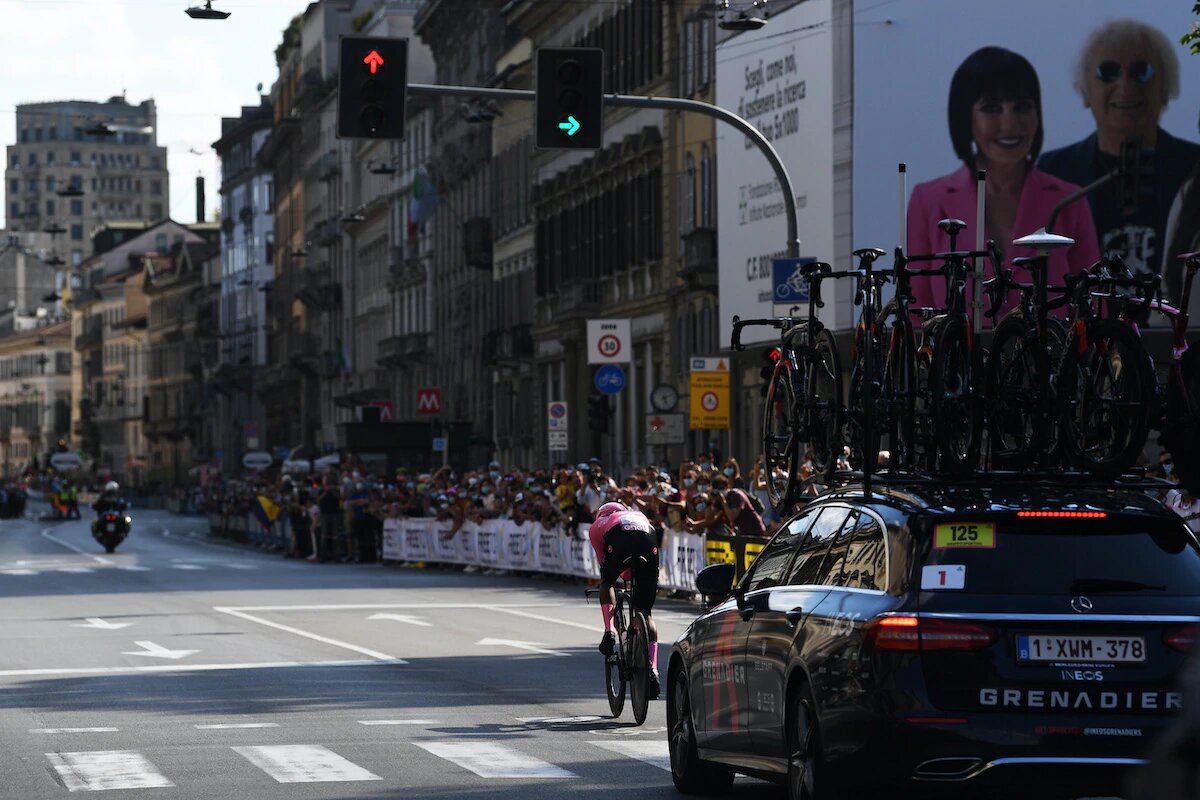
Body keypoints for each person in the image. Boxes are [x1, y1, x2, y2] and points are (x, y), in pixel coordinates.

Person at [907, 46, 1100, 320]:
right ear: (966, 118)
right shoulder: (928, 201)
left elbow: (1094, 308)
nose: (1009, 124)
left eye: (1022, 107)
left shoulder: (1070, 201)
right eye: (991, 108)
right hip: (960, 362)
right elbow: (917, 315)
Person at [1038, 20, 1200, 285]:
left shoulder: (1196, 168)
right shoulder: (1053, 173)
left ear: (1166, 88)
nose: (1125, 86)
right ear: (1085, 91)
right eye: (1108, 72)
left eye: (1142, 71)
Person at [588, 501, 662, 698]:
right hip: (649, 538)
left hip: (619, 539)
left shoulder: (598, 525)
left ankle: (609, 631)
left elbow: (605, 566)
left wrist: (618, 578)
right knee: (645, 613)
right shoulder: (637, 515)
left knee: (607, 584)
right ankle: (653, 669)